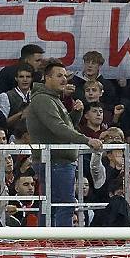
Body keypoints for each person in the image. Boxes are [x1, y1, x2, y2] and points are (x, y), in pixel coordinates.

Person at [24, 61, 102, 226]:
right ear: (47, 78)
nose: (64, 79)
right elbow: (58, 128)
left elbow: (63, 128)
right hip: (55, 161)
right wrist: (87, 140)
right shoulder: (44, 100)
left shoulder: (52, 99)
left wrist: (76, 113)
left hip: (57, 161)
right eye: (59, 76)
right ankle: (60, 243)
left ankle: (48, 241)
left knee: (52, 205)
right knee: (64, 204)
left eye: (65, 76)